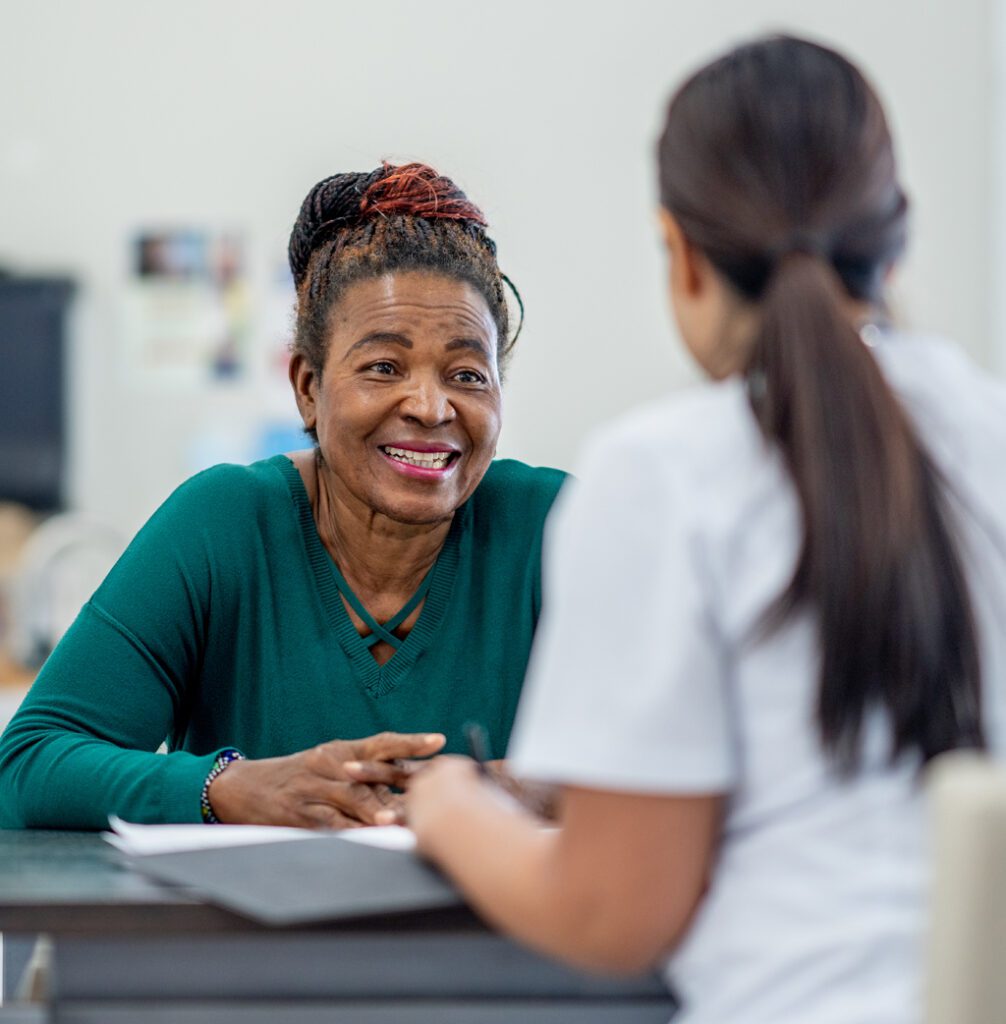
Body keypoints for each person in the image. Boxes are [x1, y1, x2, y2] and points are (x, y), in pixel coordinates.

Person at [406, 36, 1006, 1024]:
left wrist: (448, 807)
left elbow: (611, 910)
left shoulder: (660, 471)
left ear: (679, 256)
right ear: (894, 241)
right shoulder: (988, 431)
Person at [0, 162, 566, 830]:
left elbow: (688, 769)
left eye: (468, 374)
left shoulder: (557, 529)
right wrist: (233, 789)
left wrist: (500, 792)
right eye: (383, 367)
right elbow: (28, 767)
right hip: (242, 934)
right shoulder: (223, 523)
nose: (429, 405)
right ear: (306, 386)